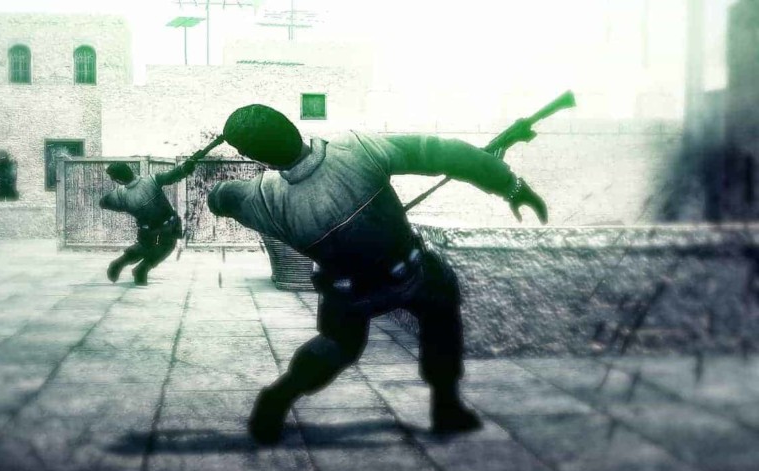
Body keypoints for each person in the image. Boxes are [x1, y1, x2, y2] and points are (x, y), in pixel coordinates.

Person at [208, 104, 549, 444]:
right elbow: (445, 153)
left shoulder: (262, 199)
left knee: (336, 346)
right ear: (290, 125)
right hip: (410, 274)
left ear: (254, 157)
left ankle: (275, 400)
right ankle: (446, 406)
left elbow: (219, 198)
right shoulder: (357, 148)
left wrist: (220, 193)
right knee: (440, 307)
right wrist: (511, 186)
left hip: (346, 294)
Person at [99, 162, 193, 286]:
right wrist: (183, 170)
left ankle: (121, 262)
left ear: (118, 180)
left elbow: (103, 203)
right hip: (168, 225)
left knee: (143, 247)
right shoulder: (151, 180)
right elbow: (171, 175)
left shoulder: (119, 194)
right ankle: (142, 269)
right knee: (165, 248)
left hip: (146, 229)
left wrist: (123, 204)